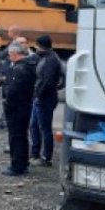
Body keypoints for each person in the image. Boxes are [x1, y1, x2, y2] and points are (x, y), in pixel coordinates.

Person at [2, 43, 37, 176]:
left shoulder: (19, 69)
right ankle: (23, 163)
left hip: (17, 107)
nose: (9, 56)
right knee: (22, 136)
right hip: (25, 105)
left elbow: (14, 90)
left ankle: (17, 166)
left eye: (10, 54)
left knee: (16, 137)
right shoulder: (30, 66)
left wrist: (8, 103)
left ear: (15, 54)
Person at [30, 35, 62, 167]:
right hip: (40, 98)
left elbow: (47, 81)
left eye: (37, 46)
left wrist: (38, 94)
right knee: (34, 126)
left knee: (44, 128)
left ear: (42, 46)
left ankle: (46, 157)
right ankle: (35, 153)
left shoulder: (51, 60)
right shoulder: (46, 57)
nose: (36, 48)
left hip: (45, 99)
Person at [0, 26, 23, 129]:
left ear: (13, 33)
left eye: (9, 32)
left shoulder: (14, 44)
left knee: (4, 98)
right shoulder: (19, 44)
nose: (7, 33)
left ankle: (1, 120)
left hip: (9, 75)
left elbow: (2, 55)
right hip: (11, 75)